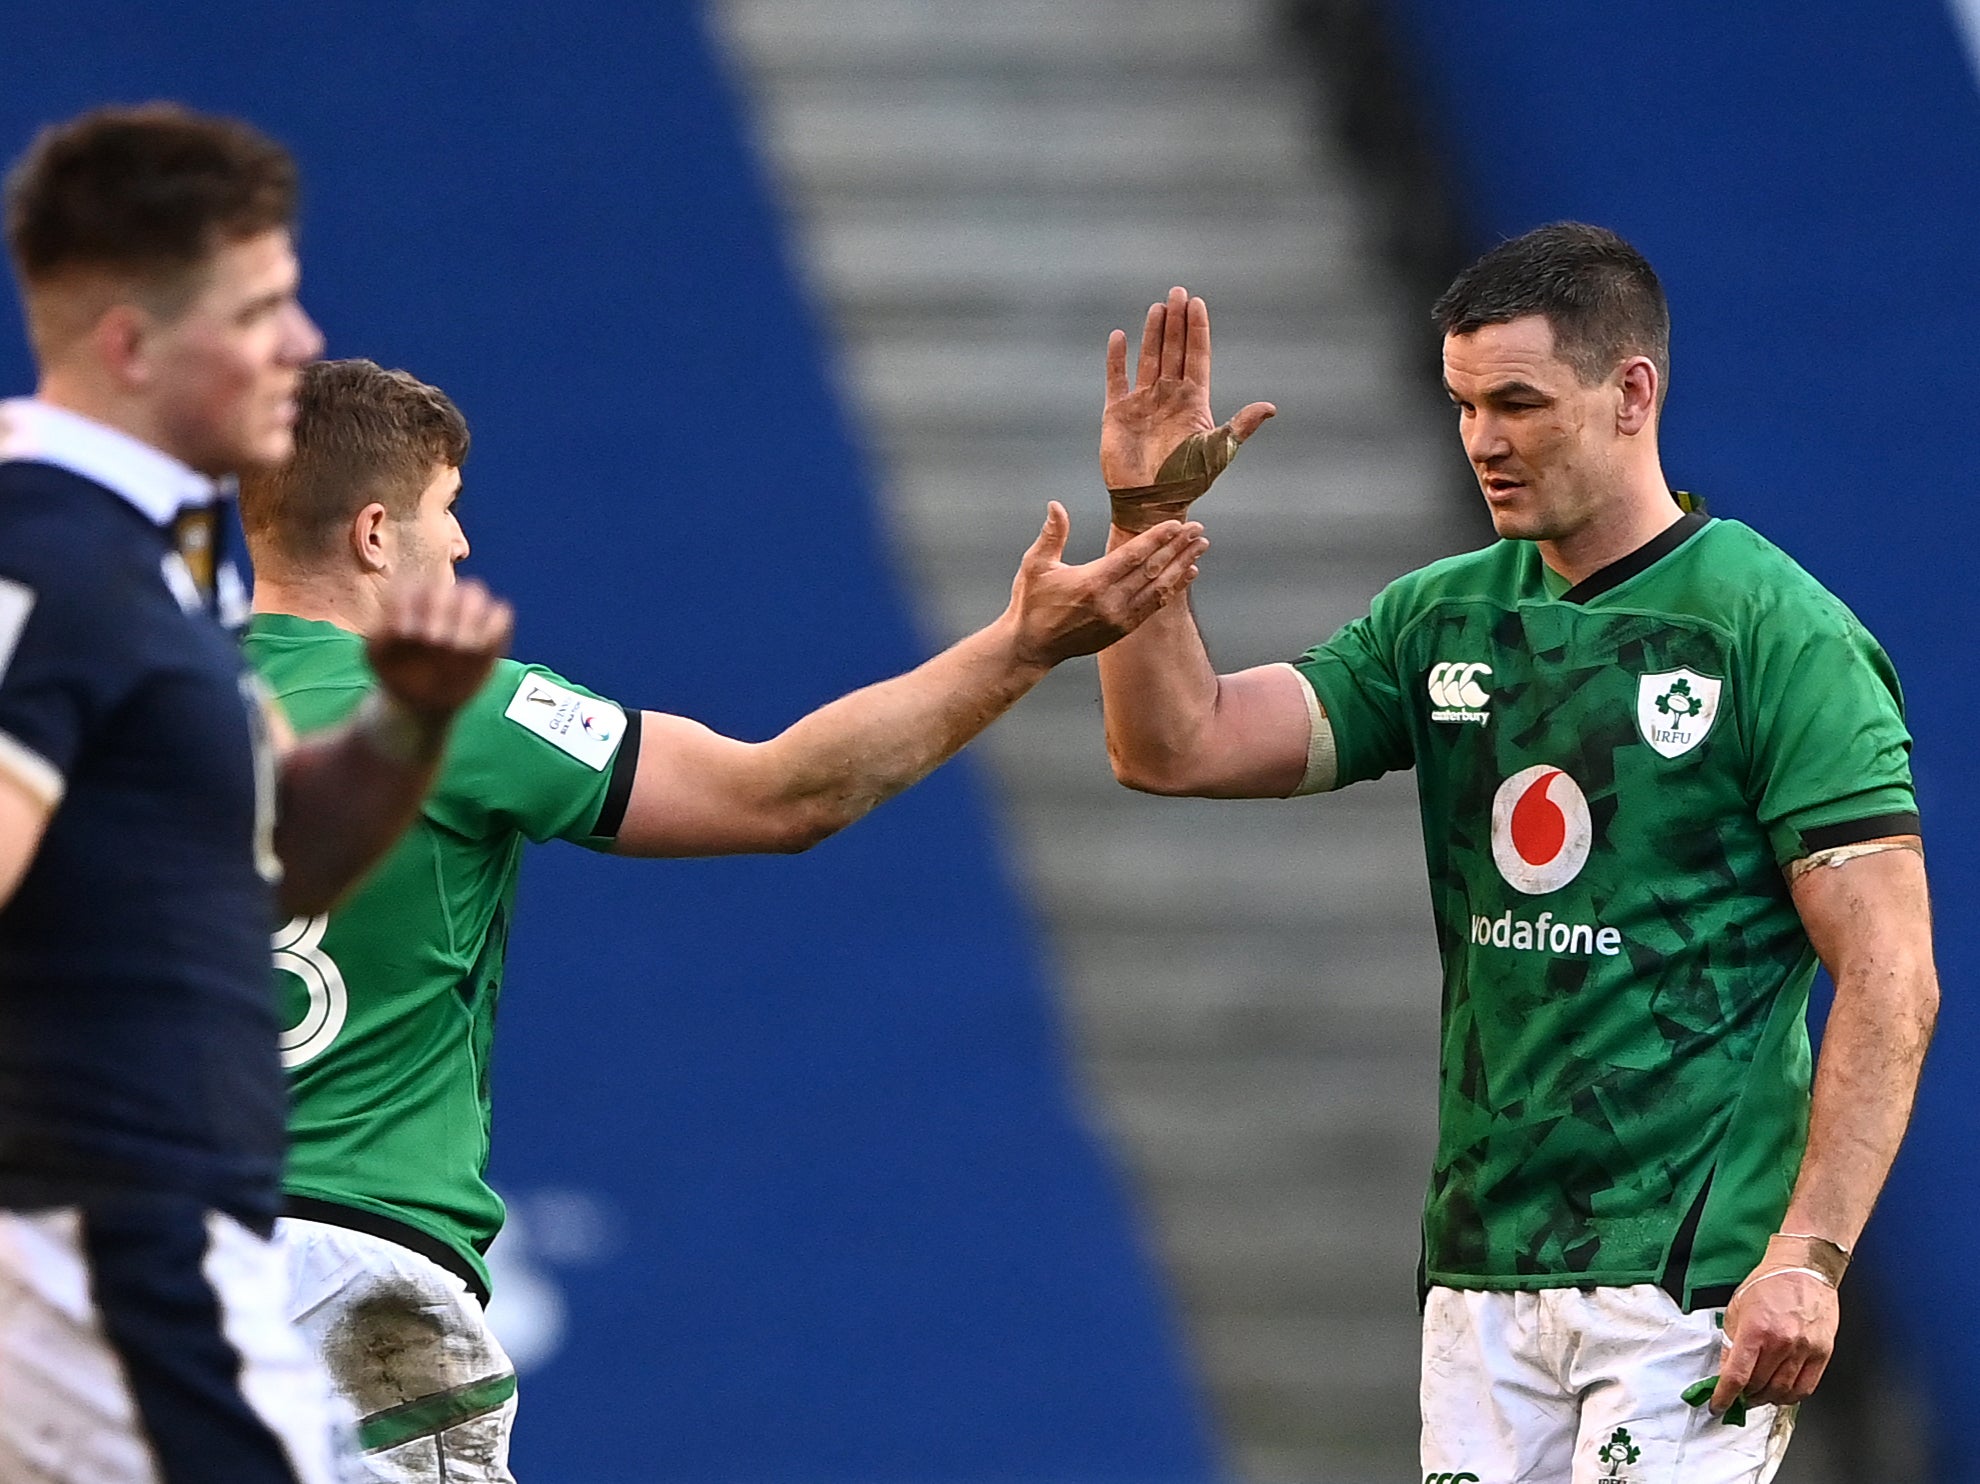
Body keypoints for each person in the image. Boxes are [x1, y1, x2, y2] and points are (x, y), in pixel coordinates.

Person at [231, 356, 1208, 1480]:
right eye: (446, 515)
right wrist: (1022, 644)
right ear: (371, 532)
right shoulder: (454, 708)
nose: (459, 546)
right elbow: (785, 793)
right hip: (356, 1290)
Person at [1092, 226, 1938, 1482]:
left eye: (1519, 403)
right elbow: (1178, 742)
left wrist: (1809, 1254)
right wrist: (1145, 519)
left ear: (1632, 392)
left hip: (1689, 1277)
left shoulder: (1778, 632)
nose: (1483, 439)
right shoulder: (1442, 616)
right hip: (1484, 1271)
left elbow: (1890, 971)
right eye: (1463, 405)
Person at [0, 107, 514, 1482]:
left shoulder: (146, 569)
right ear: (132, 345)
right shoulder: (39, 555)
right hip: (92, 1262)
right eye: (263, 309)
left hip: (144, 1252)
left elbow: (262, 869)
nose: (300, 341)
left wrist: (406, 724)